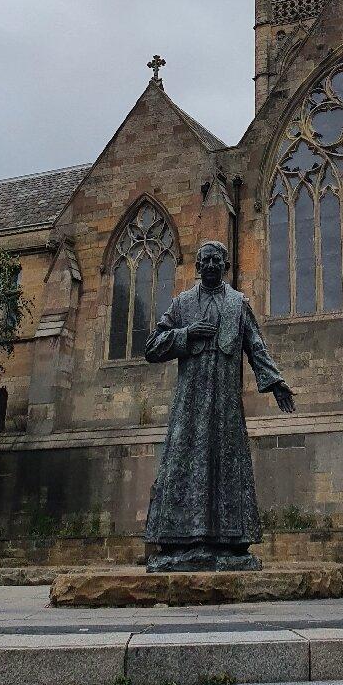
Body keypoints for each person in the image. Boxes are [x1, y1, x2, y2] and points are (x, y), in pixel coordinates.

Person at [143, 239, 295, 570]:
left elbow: (256, 346)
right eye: (206, 261)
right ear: (197, 267)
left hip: (225, 402)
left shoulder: (238, 304)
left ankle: (230, 542)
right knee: (186, 460)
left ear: (225, 267)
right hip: (190, 401)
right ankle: (178, 540)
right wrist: (187, 334)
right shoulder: (182, 303)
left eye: (217, 261)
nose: (211, 265)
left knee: (227, 461)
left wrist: (275, 382)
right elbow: (152, 347)